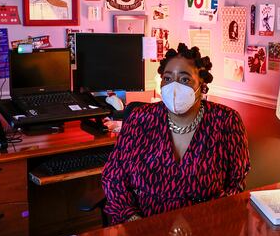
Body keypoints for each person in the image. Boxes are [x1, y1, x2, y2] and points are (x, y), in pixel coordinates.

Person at [102, 43, 250, 225]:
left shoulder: (226, 121)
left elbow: (235, 184)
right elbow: (113, 178)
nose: (173, 87)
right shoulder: (139, 119)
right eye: (167, 78)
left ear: (201, 84)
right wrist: (134, 221)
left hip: (205, 231)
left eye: (185, 80)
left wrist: (210, 225)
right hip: (145, 230)